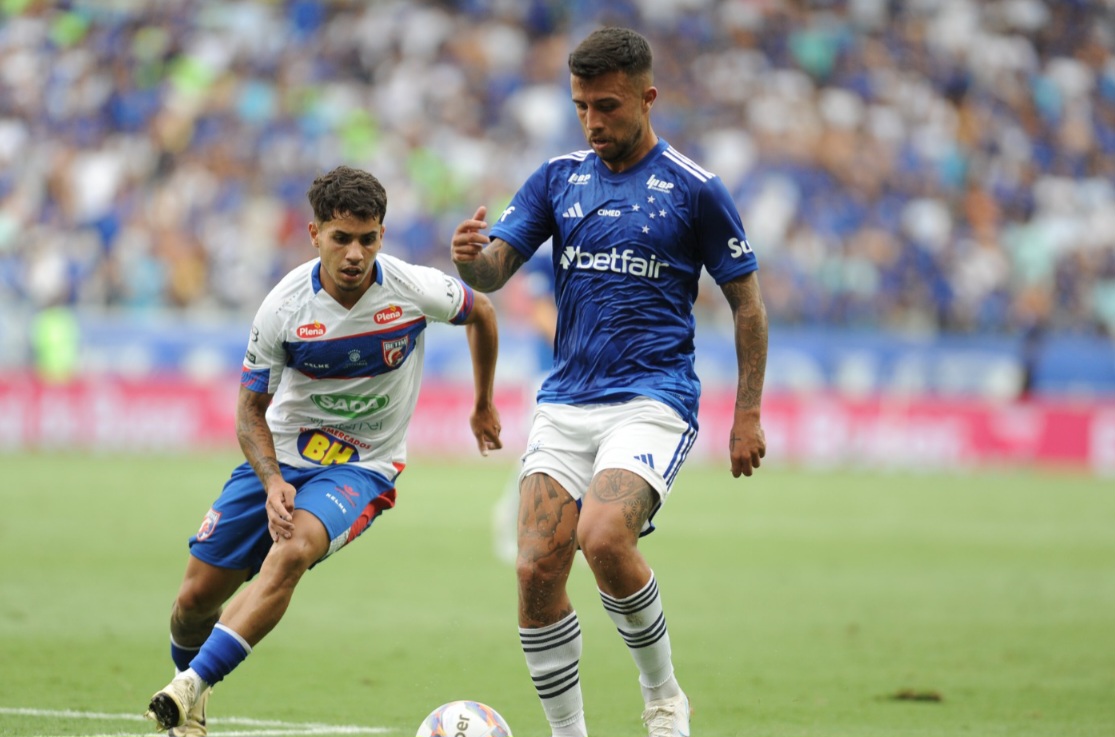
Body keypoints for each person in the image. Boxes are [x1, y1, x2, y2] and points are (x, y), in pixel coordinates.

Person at [450, 26, 768, 737]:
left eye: (608, 107)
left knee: (602, 537)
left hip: (653, 396)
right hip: (567, 402)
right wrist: (469, 262)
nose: (593, 122)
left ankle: (662, 698)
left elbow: (747, 304)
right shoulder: (557, 179)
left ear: (647, 98)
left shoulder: (694, 191)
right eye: (581, 107)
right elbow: (495, 271)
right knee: (534, 568)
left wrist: (746, 414)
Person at [143, 165, 502, 735]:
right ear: (315, 235)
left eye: (368, 238)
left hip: (364, 465)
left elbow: (481, 311)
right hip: (282, 455)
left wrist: (482, 402)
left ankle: (192, 683)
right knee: (192, 602)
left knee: (294, 549)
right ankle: (193, 701)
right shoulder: (283, 309)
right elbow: (249, 412)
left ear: (382, 235)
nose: (355, 253)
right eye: (341, 238)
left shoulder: (413, 289)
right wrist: (271, 482)